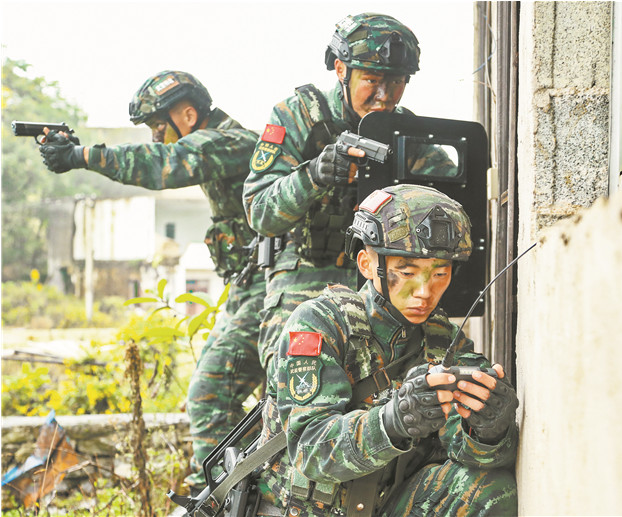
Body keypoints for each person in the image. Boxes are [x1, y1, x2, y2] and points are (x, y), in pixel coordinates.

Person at [38, 70, 266, 491]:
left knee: (211, 392)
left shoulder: (231, 144)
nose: (159, 137)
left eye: (160, 126)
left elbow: (163, 164)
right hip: (252, 285)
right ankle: (237, 487)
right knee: (226, 393)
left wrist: (82, 156)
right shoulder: (220, 144)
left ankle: (223, 493)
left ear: (189, 114)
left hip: (275, 288)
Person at [251, 184, 518, 516]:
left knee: (492, 489)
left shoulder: (442, 341)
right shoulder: (320, 323)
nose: (425, 291)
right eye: (407, 273)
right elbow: (312, 450)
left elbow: (468, 452)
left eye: (440, 273)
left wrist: (489, 431)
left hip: (382, 505)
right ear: (366, 264)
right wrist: (395, 421)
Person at [243, 12, 425, 382]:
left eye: (396, 83)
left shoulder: (408, 130)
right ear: (341, 69)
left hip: (380, 279)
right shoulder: (297, 117)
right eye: (371, 81)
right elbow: (259, 211)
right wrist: (314, 175)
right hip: (306, 275)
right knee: (298, 381)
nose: (383, 96)